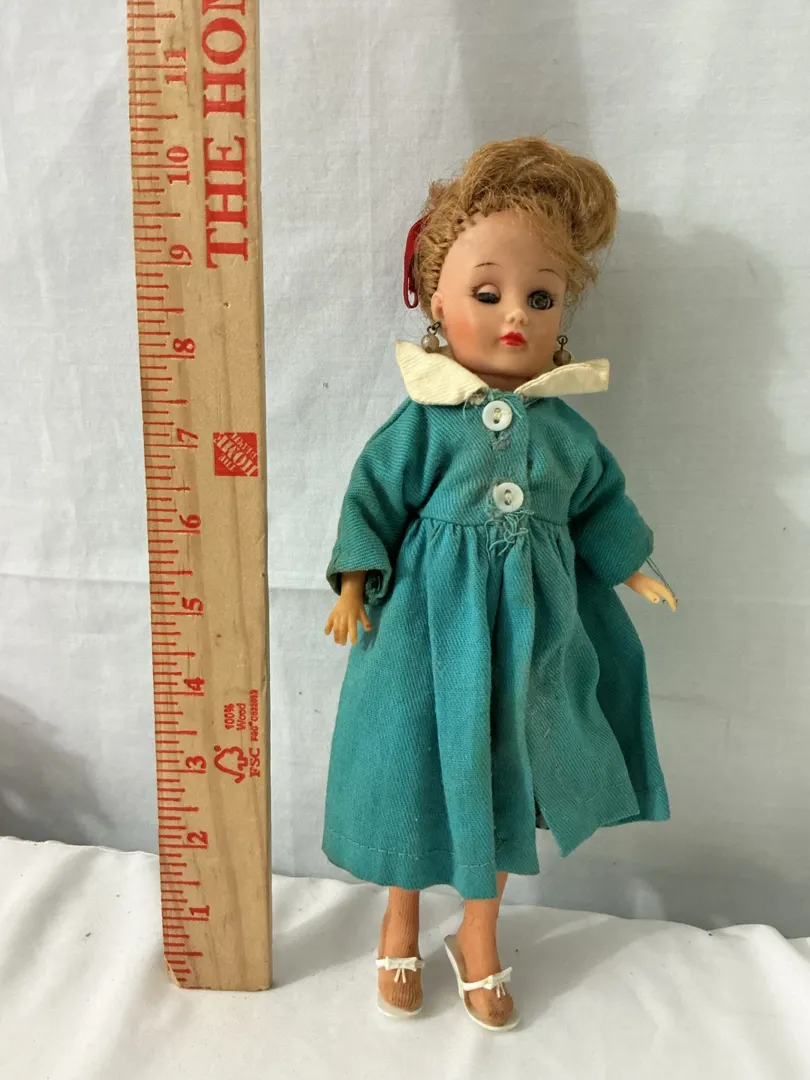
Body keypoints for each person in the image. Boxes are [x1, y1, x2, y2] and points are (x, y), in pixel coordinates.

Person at [322, 137, 677, 1031]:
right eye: (488, 294)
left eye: (540, 297)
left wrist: (631, 564)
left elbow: (598, 502)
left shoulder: (563, 433)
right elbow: (372, 496)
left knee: (509, 771)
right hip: (423, 629)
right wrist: (355, 583)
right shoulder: (423, 422)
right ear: (436, 303)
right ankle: (399, 922)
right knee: (412, 764)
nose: (515, 314)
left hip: (530, 633)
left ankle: (478, 936)